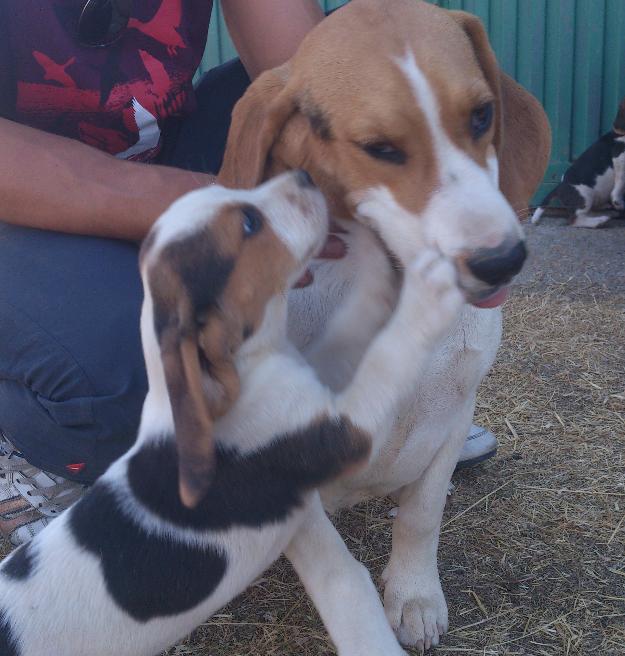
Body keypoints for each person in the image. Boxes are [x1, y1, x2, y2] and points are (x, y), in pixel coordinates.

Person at [0, 0, 496, 547]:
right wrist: (211, 202)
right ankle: (26, 438)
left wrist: (384, 157)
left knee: (384, 75)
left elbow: (300, 61)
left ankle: (409, 416)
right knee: (138, 377)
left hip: (153, 146)